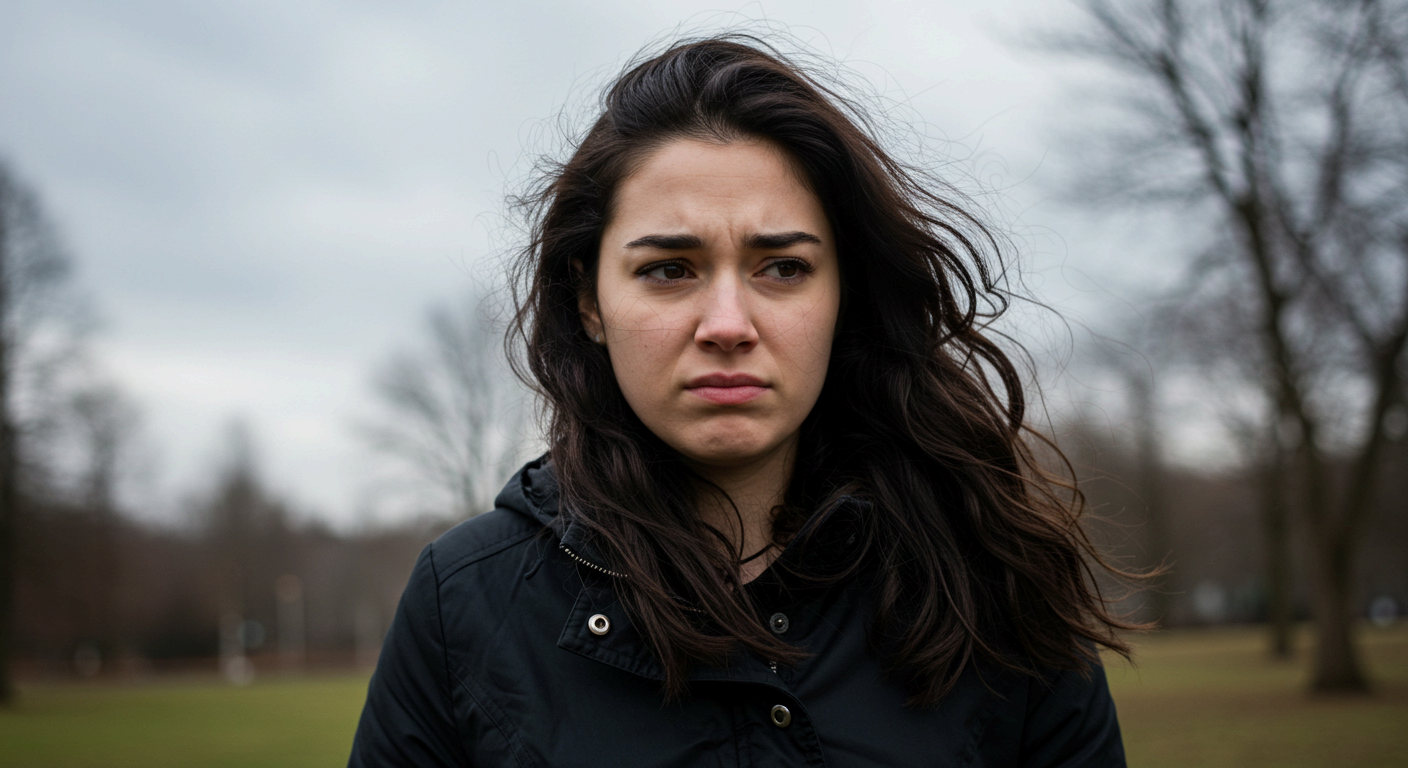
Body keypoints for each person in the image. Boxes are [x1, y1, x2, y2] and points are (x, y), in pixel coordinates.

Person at [349, 34, 1134, 768]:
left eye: (783, 268)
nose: (728, 326)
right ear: (588, 299)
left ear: (845, 294)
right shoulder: (462, 603)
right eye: (669, 269)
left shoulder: (992, 579)